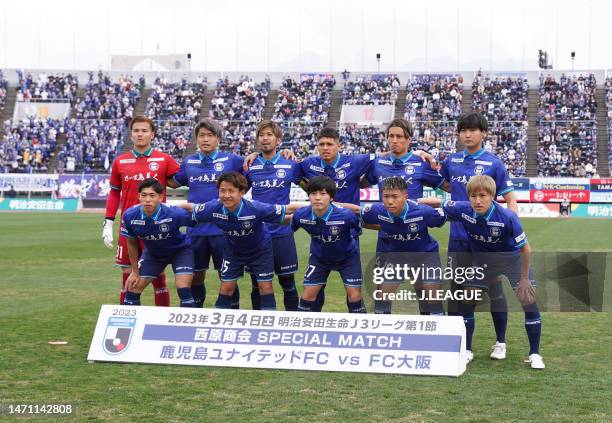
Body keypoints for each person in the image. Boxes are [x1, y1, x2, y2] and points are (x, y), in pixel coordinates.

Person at [422, 175, 544, 369]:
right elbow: (440, 201)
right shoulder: (464, 209)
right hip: (483, 262)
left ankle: (534, 354)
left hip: (512, 260)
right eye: (473, 196)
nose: (477, 201)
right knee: (468, 298)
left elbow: (525, 249)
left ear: (492, 196)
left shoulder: (507, 217)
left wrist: (524, 279)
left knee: (528, 300)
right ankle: (467, 350)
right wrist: (411, 202)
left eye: (482, 196)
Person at [437, 112, 518, 361]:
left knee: (494, 290)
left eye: (472, 130)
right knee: (458, 291)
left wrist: (511, 229)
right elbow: (444, 183)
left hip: (487, 242)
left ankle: (500, 342)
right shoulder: (451, 161)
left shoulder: (494, 163)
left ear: (483, 133)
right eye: (463, 130)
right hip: (459, 237)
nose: (467, 135)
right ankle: (462, 345)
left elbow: (510, 198)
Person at [183, 172, 303, 310]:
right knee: (226, 288)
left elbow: (288, 209)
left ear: (242, 192)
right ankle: (219, 325)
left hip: (260, 252)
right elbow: (190, 208)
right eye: (222, 191)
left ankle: (268, 324)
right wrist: (166, 209)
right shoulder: (213, 207)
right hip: (232, 252)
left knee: (265, 287)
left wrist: (317, 208)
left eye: (231, 191)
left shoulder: (256, 207)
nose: (226, 195)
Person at [167, 119, 245, 309]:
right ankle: (196, 314)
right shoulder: (189, 162)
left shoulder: (232, 160)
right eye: (201, 135)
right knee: (196, 275)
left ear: (218, 139)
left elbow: (254, 170)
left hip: (224, 229)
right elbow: (173, 182)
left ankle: (231, 313)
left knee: (226, 276)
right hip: (196, 229)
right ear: (196, 139)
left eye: (210, 135)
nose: (205, 139)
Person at [102, 116, 180, 306]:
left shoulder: (164, 159)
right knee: (127, 276)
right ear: (131, 134)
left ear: (152, 134)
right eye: (136, 130)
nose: (140, 134)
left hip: (156, 227)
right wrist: (109, 222)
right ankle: (126, 321)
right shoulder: (121, 162)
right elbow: (114, 194)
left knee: (158, 277)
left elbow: (181, 179)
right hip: (129, 227)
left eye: (144, 130)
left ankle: (161, 322)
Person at [358, 176, 446, 315]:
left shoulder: (423, 212)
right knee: (383, 295)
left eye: (395, 196)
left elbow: (445, 217)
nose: (390, 201)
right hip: (397, 257)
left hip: (426, 257)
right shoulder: (377, 211)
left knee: (430, 294)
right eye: (386, 196)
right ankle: (382, 332)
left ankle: (437, 331)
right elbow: (360, 217)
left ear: (405, 196)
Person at [244, 120, 304, 311]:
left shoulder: (290, 164)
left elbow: (309, 186)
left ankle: (292, 324)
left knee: (288, 284)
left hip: (282, 234)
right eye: (261, 135)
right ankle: (259, 325)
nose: (265, 138)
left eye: (269, 134)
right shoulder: (249, 165)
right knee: (257, 286)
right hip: (257, 235)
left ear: (278, 140)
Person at [291, 176, 366, 313]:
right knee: (307, 295)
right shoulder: (301, 215)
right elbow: (291, 227)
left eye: (323, 193)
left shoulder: (346, 215)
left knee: (354, 297)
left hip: (348, 259)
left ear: (331, 197)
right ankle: (302, 330)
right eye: (313, 194)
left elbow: (357, 231)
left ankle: (361, 330)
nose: (317, 198)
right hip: (319, 259)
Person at [120, 178, 196, 308]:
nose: (147, 200)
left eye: (152, 195)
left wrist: (195, 208)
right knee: (133, 288)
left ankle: (189, 328)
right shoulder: (130, 216)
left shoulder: (174, 213)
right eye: (144, 195)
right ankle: (132, 326)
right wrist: (134, 271)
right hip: (153, 255)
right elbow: (131, 243)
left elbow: (199, 218)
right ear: (139, 196)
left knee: (183, 289)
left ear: (160, 197)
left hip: (180, 251)